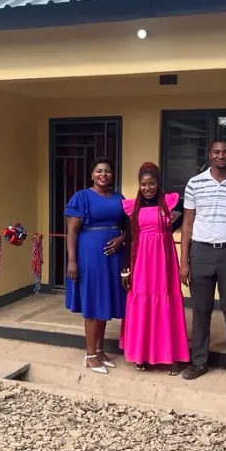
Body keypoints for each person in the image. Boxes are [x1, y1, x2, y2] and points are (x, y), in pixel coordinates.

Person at [179, 141, 226, 385]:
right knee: (200, 311)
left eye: (225, 152)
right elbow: (187, 223)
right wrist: (184, 261)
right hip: (200, 253)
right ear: (209, 155)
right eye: (216, 152)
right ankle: (199, 361)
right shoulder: (195, 183)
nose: (221, 156)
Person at [119, 162, 190, 375]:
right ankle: (141, 354)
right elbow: (129, 237)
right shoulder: (131, 207)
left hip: (164, 260)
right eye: (143, 184)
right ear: (139, 185)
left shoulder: (172, 203)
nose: (147, 188)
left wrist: (166, 233)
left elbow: (183, 222)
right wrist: (125, 268)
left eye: (151, 184)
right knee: (143, 303)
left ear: (158, 184)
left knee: (166, 302)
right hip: (141, 260)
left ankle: (173, 356)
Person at [64, 157, 128, 374]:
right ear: (92, 174)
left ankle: (100, 350)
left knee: (104, 301)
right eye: (99, 171)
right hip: (89, 255)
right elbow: (72, 231)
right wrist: (72, 261)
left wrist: (121, 239)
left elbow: (130, 226)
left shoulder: (119, 198)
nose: (103, 174)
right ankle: (90, 354)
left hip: (113, 257)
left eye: (107, 171)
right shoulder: (81, 197)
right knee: (93, 303)